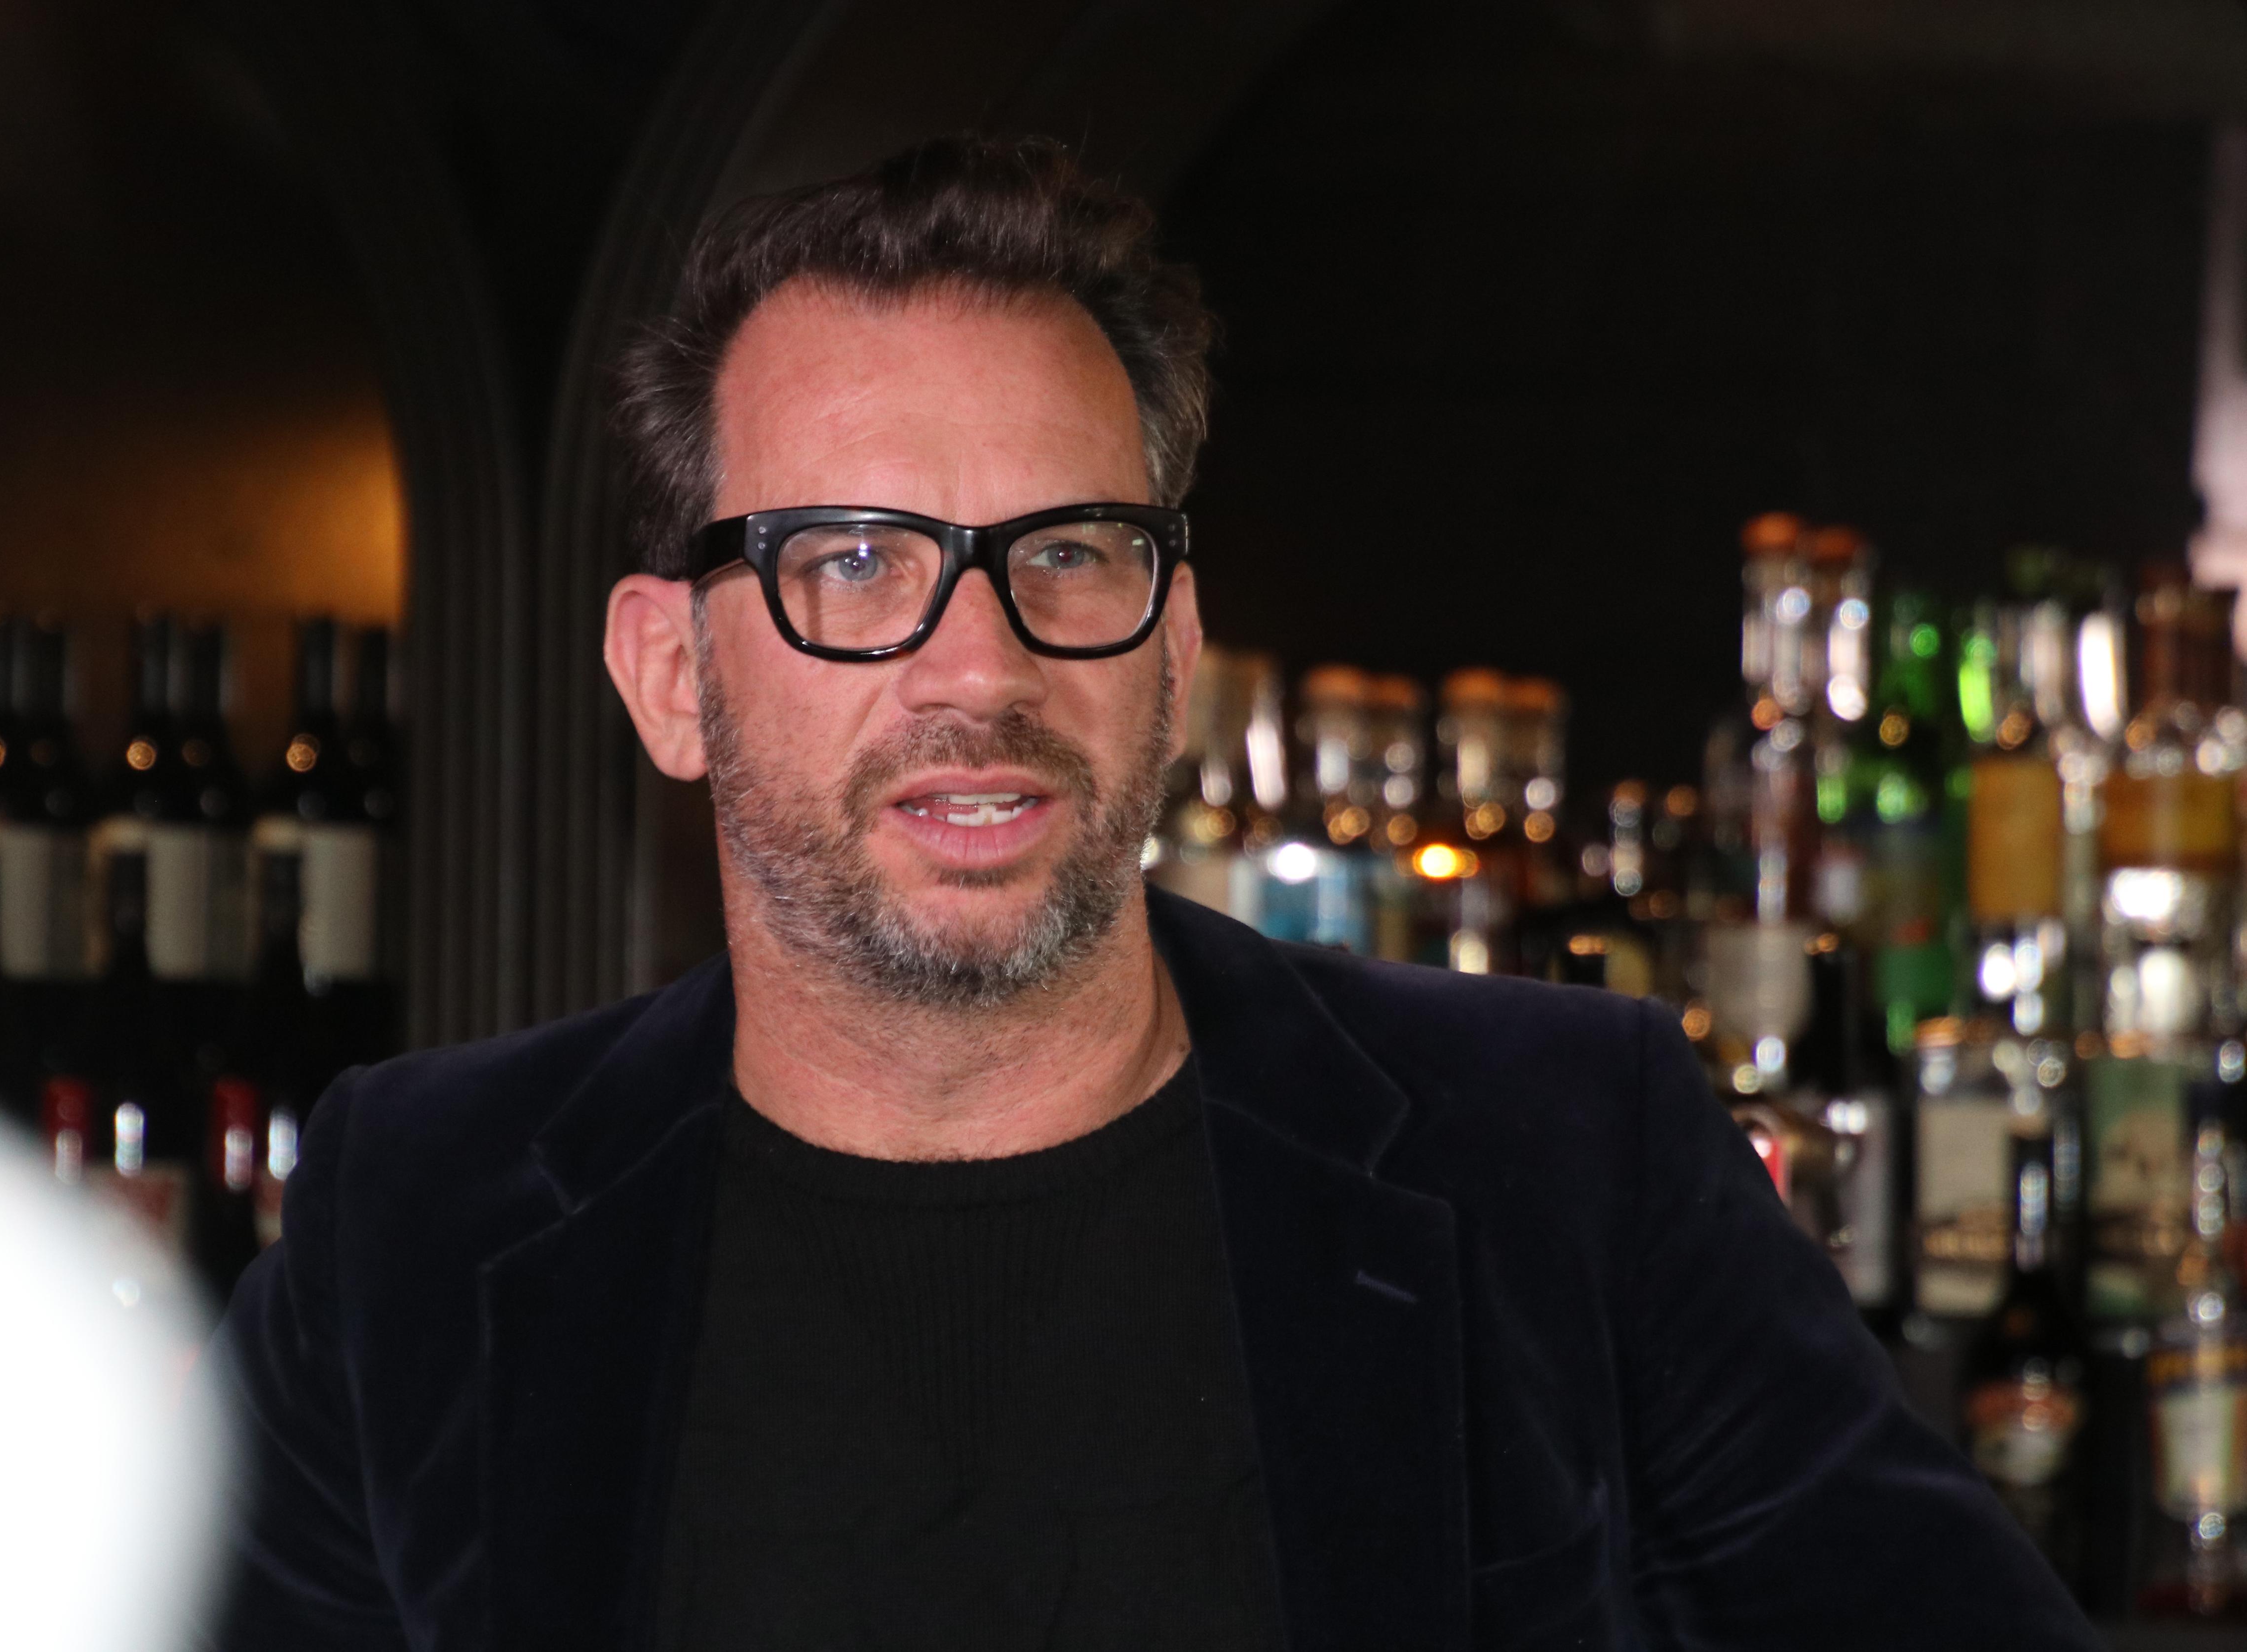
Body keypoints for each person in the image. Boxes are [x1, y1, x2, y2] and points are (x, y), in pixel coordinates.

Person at [207, 136, 2100, 1651]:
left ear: (1176, 653)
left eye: (1071, 553)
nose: (981, 665)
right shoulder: (418, 1220)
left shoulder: (1563, 1156)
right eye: (852, 563)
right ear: (669, 678)